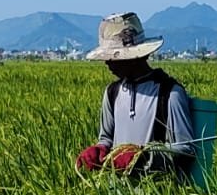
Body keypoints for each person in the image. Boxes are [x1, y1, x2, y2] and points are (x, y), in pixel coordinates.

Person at [76, 12, 195, 179]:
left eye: (114, 57)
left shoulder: (169, 94)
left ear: (134, 57)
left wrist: (142, 157)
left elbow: (186, 149)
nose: (107, 63)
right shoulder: (112, 93)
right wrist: (99, 150)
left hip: (157, 191)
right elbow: (106, 138)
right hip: (116, 190)